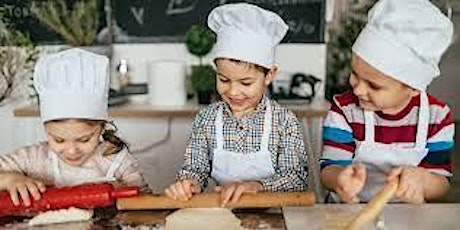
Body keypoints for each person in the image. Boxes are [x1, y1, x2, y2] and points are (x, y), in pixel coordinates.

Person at [165, 3, 308, 206]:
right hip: (223, 214)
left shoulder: (284, 122)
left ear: (270, 75)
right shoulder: (207, 119)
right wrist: (189, 183)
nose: (233, 91)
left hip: (277, 216)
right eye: (223, 80)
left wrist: (257, 186)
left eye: (246, 83)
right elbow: (195, 168)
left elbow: (296, 179)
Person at [320, 0, 455, 204]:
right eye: (355, 74)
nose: (358, 89)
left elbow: (441, 184)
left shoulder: (437, 117)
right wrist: (340, 178)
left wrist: (424, 181)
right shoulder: (345, 110)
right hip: (347, 213)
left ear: (413, 88)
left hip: (407, 218)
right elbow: (328, 170)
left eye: (374, 86)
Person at [0, 48, 147, 206]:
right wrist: (10, 179)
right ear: (46, 130)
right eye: (58, 140)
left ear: (102, 127)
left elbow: (146, 202)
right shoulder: (34, 159)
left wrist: (124, 194)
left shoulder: (118, 161)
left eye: (84, 140)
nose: (71, 151)